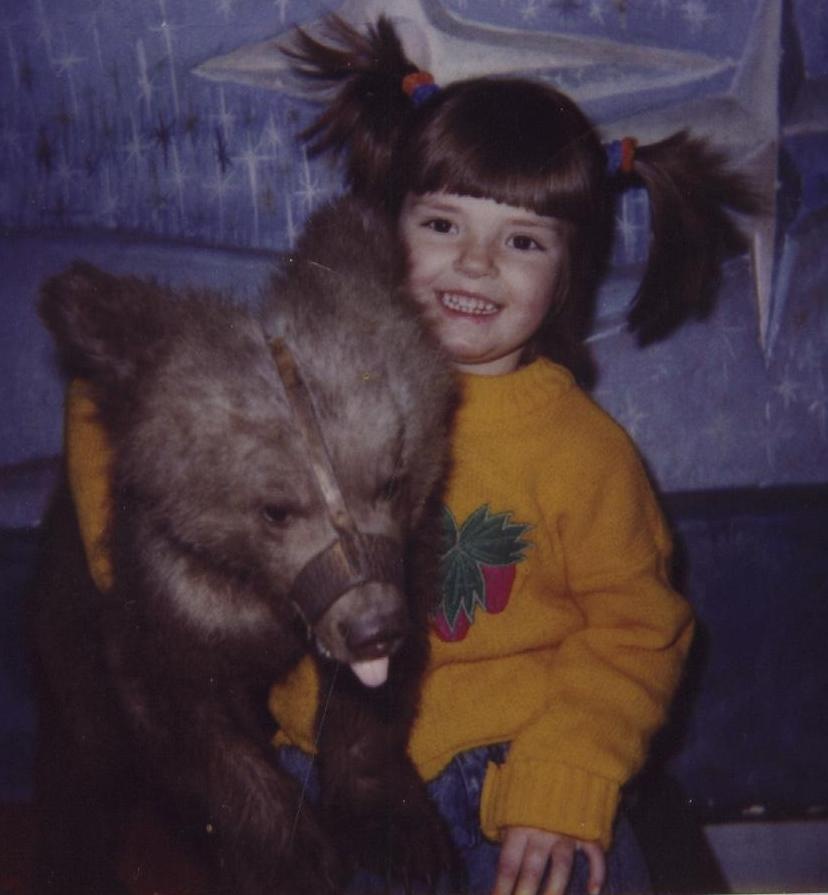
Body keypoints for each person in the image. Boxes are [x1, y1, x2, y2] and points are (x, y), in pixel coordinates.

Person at [64, 14, 757, 895]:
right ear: (388, 233)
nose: (475, 264)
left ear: (568, 274)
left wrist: (566, 776)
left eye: (522, 240)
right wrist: (126, 561)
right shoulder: (300, 380)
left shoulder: (582, 450)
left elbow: (637, 627)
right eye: (442, 223)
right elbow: (116, 400)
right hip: (331, 773)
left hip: (524, 776)